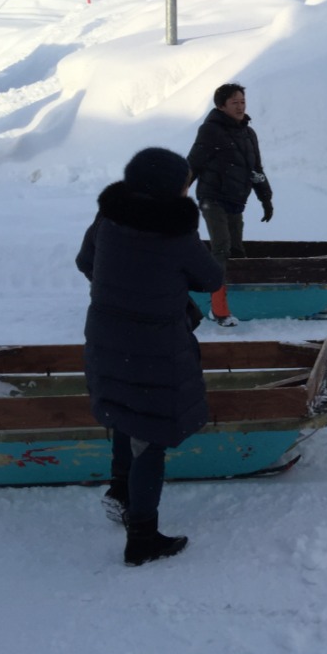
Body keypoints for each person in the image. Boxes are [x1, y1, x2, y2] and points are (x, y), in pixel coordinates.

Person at [75, 147, 224, 566]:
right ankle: (142, 538)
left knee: (124, 412)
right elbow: (211, 277)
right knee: (151, 436)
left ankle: (120, 492)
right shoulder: (176, 231)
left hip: (106, 335)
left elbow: (86, 262)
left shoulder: (109, 217)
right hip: (154, 346)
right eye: (185, 185)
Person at [186, 82, 273, 327]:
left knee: (236, 250)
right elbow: (193, 163)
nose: (240, 106)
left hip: (236, 200)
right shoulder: (211, 131)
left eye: (242, 102)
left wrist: (265, 198)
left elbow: (256, 170)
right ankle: (218, 309)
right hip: (212, 198)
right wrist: (177, 193)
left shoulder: (248, 133)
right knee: (221, 248)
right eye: (234, 102)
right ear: (221, 106)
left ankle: (235, 299)